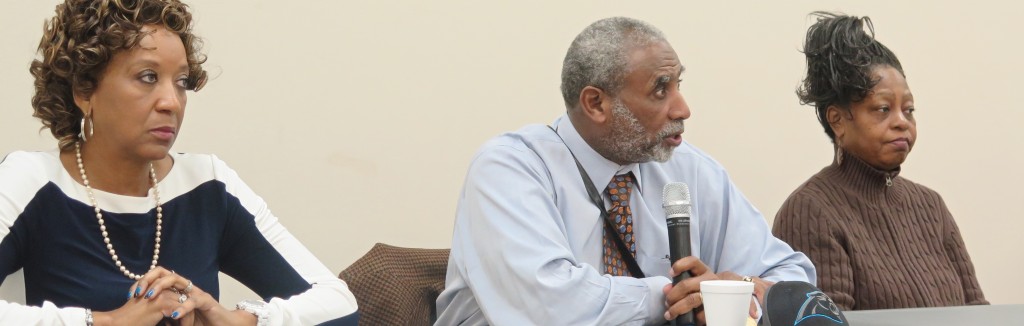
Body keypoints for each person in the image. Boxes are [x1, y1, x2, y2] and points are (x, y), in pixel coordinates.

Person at [435, 17, 815, 325]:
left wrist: (739, 288)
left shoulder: (688, 170)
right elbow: (551, 309)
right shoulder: (510, 169)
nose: (683, 109)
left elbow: (794, 278)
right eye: (660, 90)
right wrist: (679, 294)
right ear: (596, 103)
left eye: (678, 85)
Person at [0, 0, 359, 324]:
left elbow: (339, 306)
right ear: (84, 90)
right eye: (148, 77)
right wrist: (106, 322)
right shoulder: (34, 181)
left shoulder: (209, 185)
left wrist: (237, 320)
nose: (172, 102)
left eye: (182, 81)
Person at [772, 12, 987, 310]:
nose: (902, 122)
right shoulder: (811, 211)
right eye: (883, 109)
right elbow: (829, 318)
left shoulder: (931, 205)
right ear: (837, 121)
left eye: (909, 110)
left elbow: (977, 309)